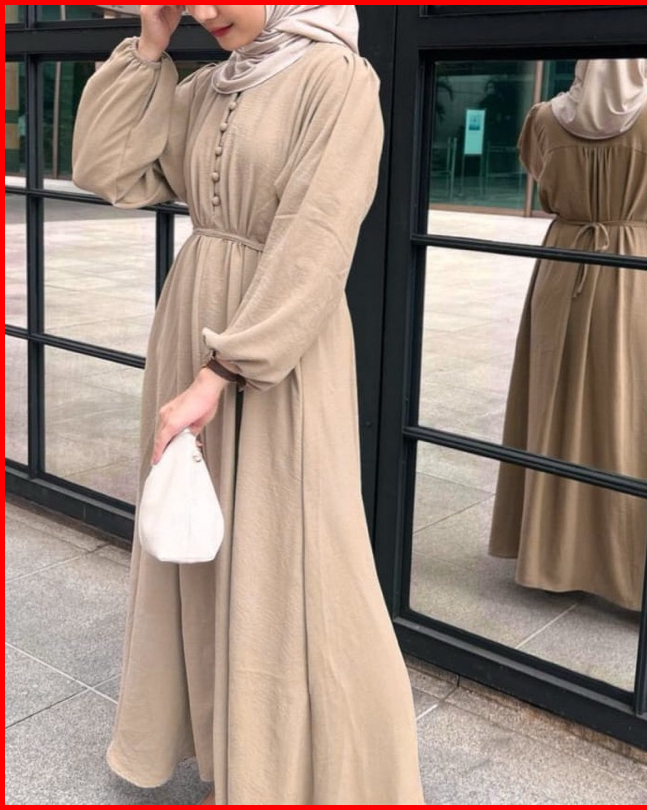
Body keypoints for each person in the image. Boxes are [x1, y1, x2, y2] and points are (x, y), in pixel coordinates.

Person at [72, 5, 424, 805]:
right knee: (199, 544)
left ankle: (337, 777)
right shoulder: (207, 86)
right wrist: (149, 46)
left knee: (294, 551)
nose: (201, 12)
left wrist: (224, 369)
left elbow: (317, 238)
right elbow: (106, 169)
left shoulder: (337, 79)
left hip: (277, 346)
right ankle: (224, 745)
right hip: (192, 326)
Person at [488, 59, 647, 643]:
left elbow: (542, 182)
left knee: (556, 411)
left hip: (562, 264)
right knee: (638, 425)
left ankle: (552, 559)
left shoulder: (544, 117)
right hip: (634, 275)